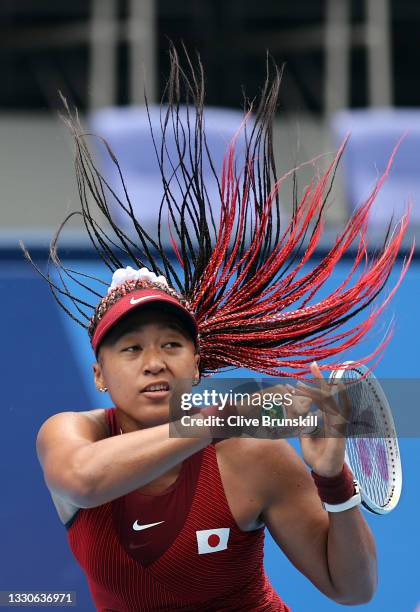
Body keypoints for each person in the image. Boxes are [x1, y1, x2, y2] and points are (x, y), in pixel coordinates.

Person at [25, 48, 412, 611]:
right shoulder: (68, 436)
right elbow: (83, 481)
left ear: (198, 364)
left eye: (172, 345)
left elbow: (353, 589)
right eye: (130, 348)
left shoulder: (253, 456)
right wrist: (220, 418)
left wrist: (334, 484)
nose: (154, 361)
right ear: (100, 375)